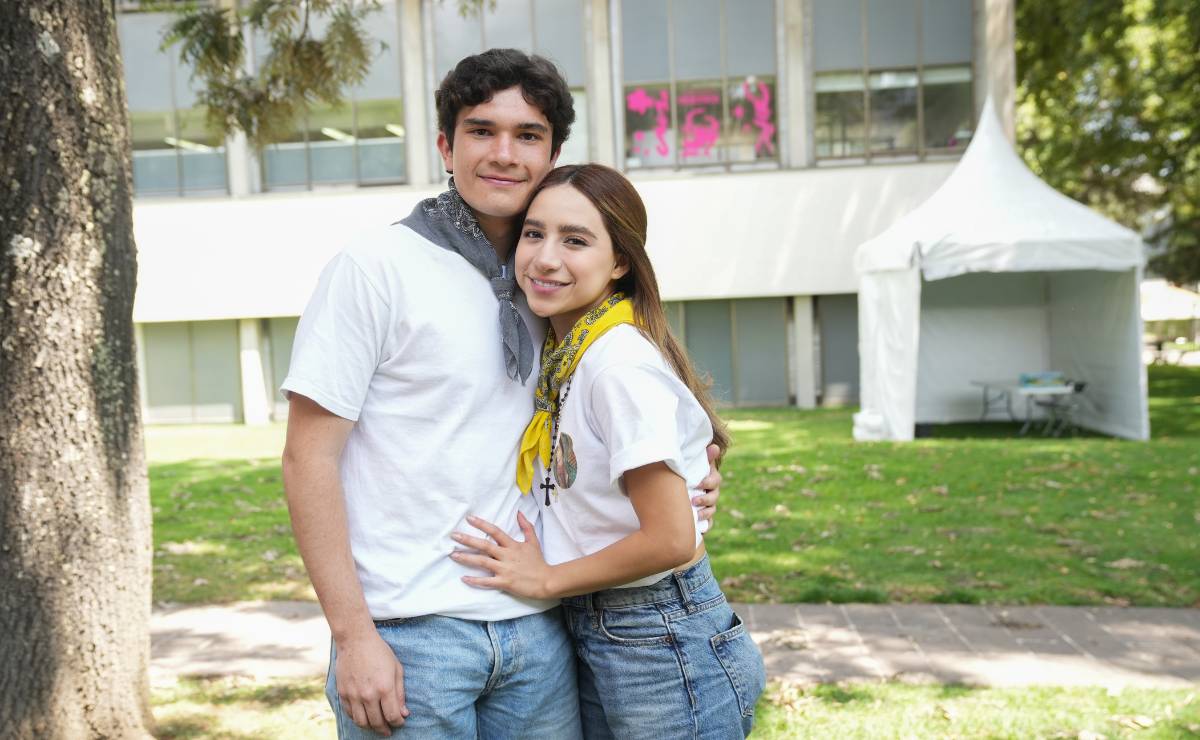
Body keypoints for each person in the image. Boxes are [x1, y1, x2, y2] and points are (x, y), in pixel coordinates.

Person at [280, 49, 722, 738]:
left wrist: (695, 474)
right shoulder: (375, 268)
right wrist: (353, 636)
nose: (504, 154)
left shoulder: (552, 273)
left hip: (541, 629)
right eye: (482, 130)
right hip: (410, 635)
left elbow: (633, 396)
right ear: (444, 146)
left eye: (528, 135)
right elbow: (307, 459)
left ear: (553, 153)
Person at [450, 164, 766, 739]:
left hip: (661, 639)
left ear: (620, 262)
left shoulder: (614, 364)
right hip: (607, 627)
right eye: (533, 233)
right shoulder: (568, 350)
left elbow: (670, 537)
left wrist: (546, 579)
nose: (545, 258)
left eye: (575, 240)